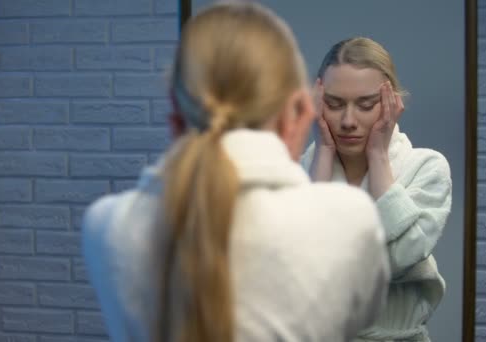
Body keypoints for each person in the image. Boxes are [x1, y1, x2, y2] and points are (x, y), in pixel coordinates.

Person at [82, 3, 390, 342]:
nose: (348, 120)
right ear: (301, 113)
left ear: (175, 115)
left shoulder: (106, 225)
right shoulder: (352, 220)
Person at [300, 37, 452, 342]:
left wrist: (379, 157)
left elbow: (402, 257)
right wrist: (324, 156)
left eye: (366, 105)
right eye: (333, 104)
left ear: (391, 105)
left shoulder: (427, 167)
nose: (348, 121)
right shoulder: (302, 171)